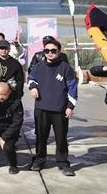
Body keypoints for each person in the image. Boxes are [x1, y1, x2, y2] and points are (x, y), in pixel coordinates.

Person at [28, 38, 77, 176]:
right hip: (41, 108)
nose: (50, 53)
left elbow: (73, 88)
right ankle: (39, 160)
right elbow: (31, 79)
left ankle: (63, 163)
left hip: (60, 109)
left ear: (59, 52)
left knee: (61, 138)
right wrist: (33, 87)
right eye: (47, 50)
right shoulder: (38, 66)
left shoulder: (66, 68)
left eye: (53, 51)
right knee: (40, 137)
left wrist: (70, 106)